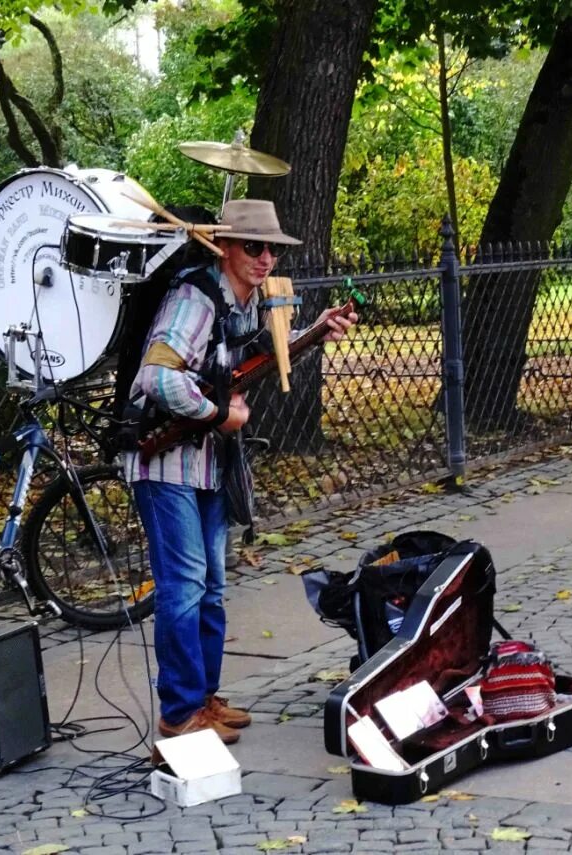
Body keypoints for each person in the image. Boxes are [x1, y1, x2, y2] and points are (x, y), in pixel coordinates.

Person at [124, 199, 358, 744]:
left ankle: (203, 698)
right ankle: (179, 714)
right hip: (166, 461)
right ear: (224, 246)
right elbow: (156, 378)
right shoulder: (195, 298)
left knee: (210, 588)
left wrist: (315, 333)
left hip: (207, 462)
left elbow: (243, 367)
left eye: (272, 248)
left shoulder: (247, 304)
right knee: (182, 589)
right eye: (253, 246)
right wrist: (216, 414)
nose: (265, 258)